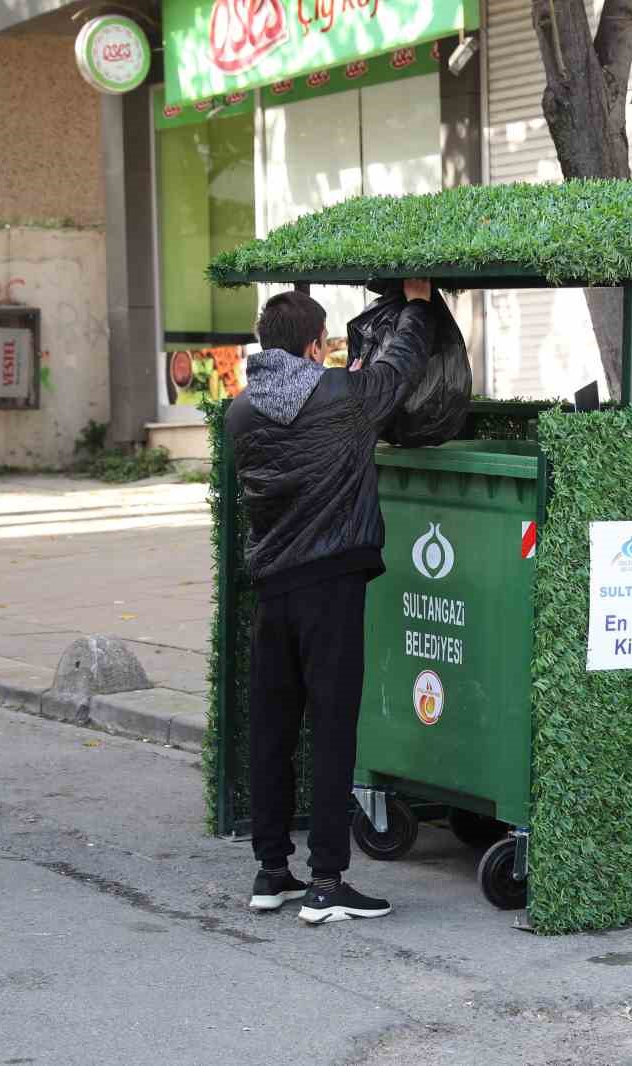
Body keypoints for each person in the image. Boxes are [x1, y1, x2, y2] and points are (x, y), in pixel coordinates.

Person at [228, 281, 433, 925]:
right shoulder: (340, 397)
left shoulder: (239, 411)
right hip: (331, 584)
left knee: (273, 728)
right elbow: (398, 371)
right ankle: (327, 881)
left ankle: (271, 872)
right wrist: (420, 306)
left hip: (273, 588)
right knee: (333, 727)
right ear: (317, 346)